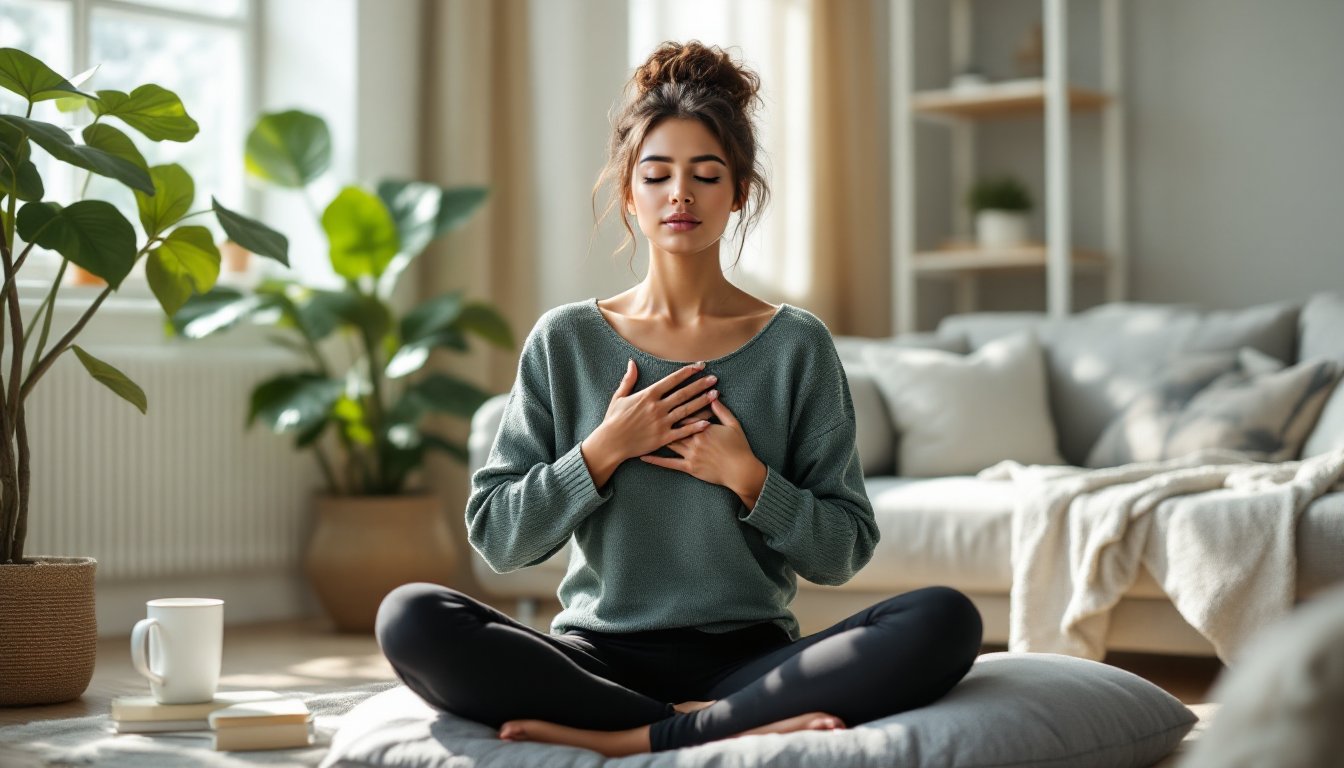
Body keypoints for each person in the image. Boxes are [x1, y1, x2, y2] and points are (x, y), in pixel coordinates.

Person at [375, 40, 983, 757]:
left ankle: (642, 736)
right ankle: (701, 726)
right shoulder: (565, 340)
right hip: (595, 660)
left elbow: (843, 551)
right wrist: (603, 451)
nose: (680, 195)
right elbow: (498, 538)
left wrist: (748, 477)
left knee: (946, 619)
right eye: (657, 175)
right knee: (410, 616)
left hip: (749, 661)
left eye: (706, 175)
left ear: (739, 192)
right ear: (630, 192)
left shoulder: (796, 346)